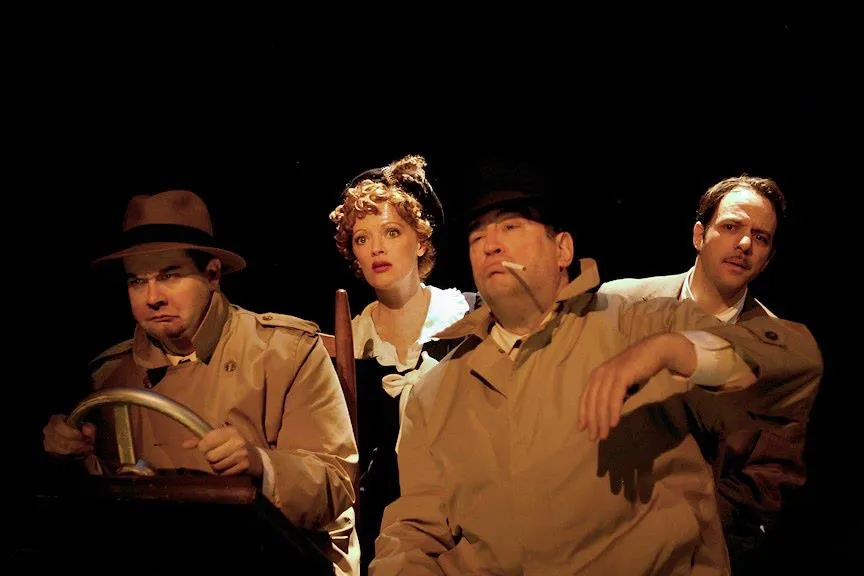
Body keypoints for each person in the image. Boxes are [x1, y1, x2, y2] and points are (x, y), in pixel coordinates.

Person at [368, 162, 823, 575]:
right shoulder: (438, 391)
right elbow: (414, 527)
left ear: (562, 248)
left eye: (511, 226)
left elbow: (786, 364)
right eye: (476, 236)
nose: (491, 244)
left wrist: (672, 350)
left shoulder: (637, 320)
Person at [41, 189, 360, 574]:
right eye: (137, 282)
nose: (152, 297)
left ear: (211, 275)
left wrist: (262, 464)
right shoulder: (111, 375)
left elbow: (336, 485)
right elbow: (112, 503)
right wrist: (75, 455)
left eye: (169, 276)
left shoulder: (285, 352)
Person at [598, 175, 818, 571]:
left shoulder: (778, 355)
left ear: (768, 258)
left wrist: (685, 533)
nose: (745, 245)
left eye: (761, 238)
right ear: (700, 235)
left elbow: (769, 478)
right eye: (731, 227)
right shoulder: (616, 303)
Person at [329, 154, 480, 574]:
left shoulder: (470, 319)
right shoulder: (349, 346)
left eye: (391, 232)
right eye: (362, 238)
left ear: (420, 240)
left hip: (472, 515)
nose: (376, 248)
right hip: (383, 527)